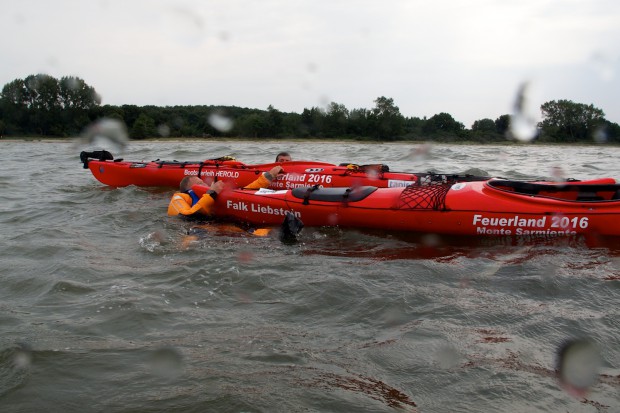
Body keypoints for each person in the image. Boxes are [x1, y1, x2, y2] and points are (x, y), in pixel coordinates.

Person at [167, 165, 283, 217]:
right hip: (196, 233)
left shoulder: (211, 197)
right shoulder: (179, 198)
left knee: (261, 232)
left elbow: (243, 193)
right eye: (200, 184)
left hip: (219, 229)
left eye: (203, 182)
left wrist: (269, 176)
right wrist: (211, 193)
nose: (205, 184)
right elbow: (188, 216)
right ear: (189, 190)